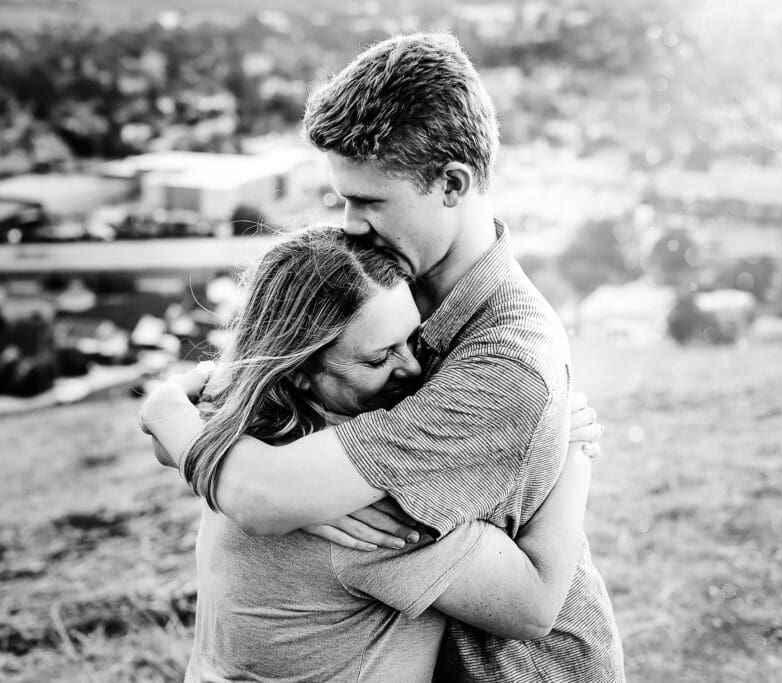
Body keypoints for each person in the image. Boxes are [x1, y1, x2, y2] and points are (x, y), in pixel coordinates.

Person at [143, 33, 624, 681]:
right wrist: (172, 407)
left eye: (369, 201)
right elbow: (255, 403)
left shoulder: (504, 362)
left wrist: (175, 414)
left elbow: (262, 491)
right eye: (343, 198)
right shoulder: (381, 286)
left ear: (452, 183)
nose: (348, 223)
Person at [141, 225, 602, 681]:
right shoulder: (360, 502)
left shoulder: (238, 430)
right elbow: (533, 607)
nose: (414, 368)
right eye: (379, 359)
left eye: (413, 340)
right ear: (300, 368)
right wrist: (571, 453)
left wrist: (165, 405)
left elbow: (177, 433)